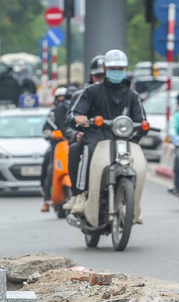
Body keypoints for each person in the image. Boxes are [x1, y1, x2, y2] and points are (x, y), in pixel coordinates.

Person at [69, 49, 147, 217]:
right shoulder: (92, 91)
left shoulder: (132, 95)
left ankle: (135, 203)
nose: (117, 72)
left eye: (121, 69)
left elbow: (141, 120)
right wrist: (79, 118)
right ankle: (81, 195)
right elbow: (74, 114)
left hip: (124, 140)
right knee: (87, 151)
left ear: (126, 69)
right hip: (97, 137)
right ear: (105, 68)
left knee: (139, 162)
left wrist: (141, 130)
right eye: (113, 68)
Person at [61, 55, 106, 211]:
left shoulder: (120, 94)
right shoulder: (82, 95)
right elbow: (67, 123)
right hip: (89, 139)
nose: (101, 79)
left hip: (112, 140)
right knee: (74, 149)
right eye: (98, 76)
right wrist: (76, 134)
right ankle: (76, 195)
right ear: (91, 76)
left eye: (104, 76)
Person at [41, 87, 71, 212]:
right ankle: (47, 198)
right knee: (49, 168)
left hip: (72, 145)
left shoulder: (77, 112)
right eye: (60, 98)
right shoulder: (53, 114)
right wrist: (52, 134)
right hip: (57, 147)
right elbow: (46, 129)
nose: (62, 101)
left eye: (65, 99)